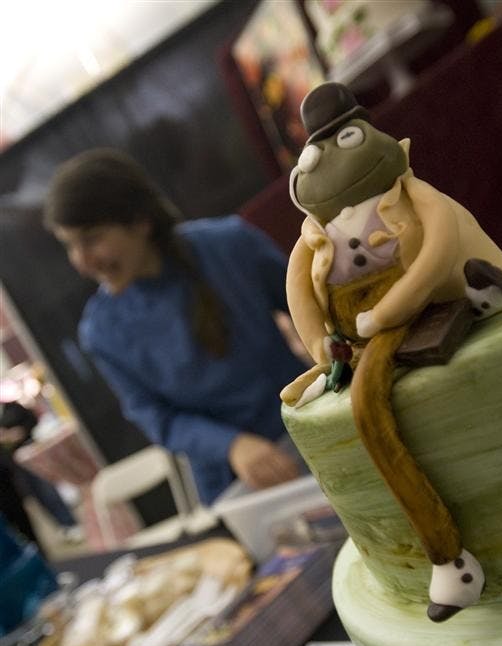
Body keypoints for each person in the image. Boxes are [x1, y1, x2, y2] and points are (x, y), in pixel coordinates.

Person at [43, 148, 308, 505]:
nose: (81, 262)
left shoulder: (231, 246)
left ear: (140, 221)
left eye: (91, 239)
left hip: (307, 430)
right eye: (70, 246)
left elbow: (316, 311)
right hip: (231, 483)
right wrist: (231, 446)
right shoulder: (101, 331)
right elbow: (157, 418)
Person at [0, 401, 84, 543]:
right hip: (13, 465)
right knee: (36, 496)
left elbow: (31, 419)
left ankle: (70, 523)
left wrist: (20, 432)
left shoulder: (12, 407)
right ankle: (63, 526)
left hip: (31, 453)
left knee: (47, 490)